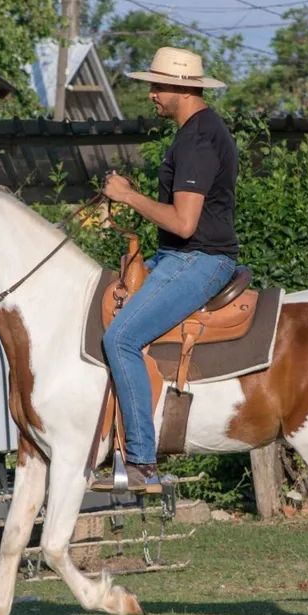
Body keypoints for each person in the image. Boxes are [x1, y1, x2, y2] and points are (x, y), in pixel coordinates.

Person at [97, 46, 240, 491]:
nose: (152, 95)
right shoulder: (197, 132)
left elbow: (184, 222)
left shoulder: (197, 139)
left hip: (198, 259)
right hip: (181, 255)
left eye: (157, 86)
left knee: (120, 338)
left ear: (181, 88)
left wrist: (129, 198)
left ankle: (141, 464)